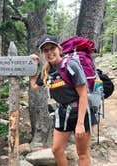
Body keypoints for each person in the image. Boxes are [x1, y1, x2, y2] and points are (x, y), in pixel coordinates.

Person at [30, 34, 97, 166]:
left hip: (80, 112)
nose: (49, 52)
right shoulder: (47, 71)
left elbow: (83, 95)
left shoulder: (70, 65)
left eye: (52, 48)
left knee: (82, 153)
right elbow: (35, 86)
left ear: (59, 49)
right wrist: (33, 66)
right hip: (62, 113)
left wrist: (80, 124)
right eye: (45, 50)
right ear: (43, 53)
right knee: (56, 150)